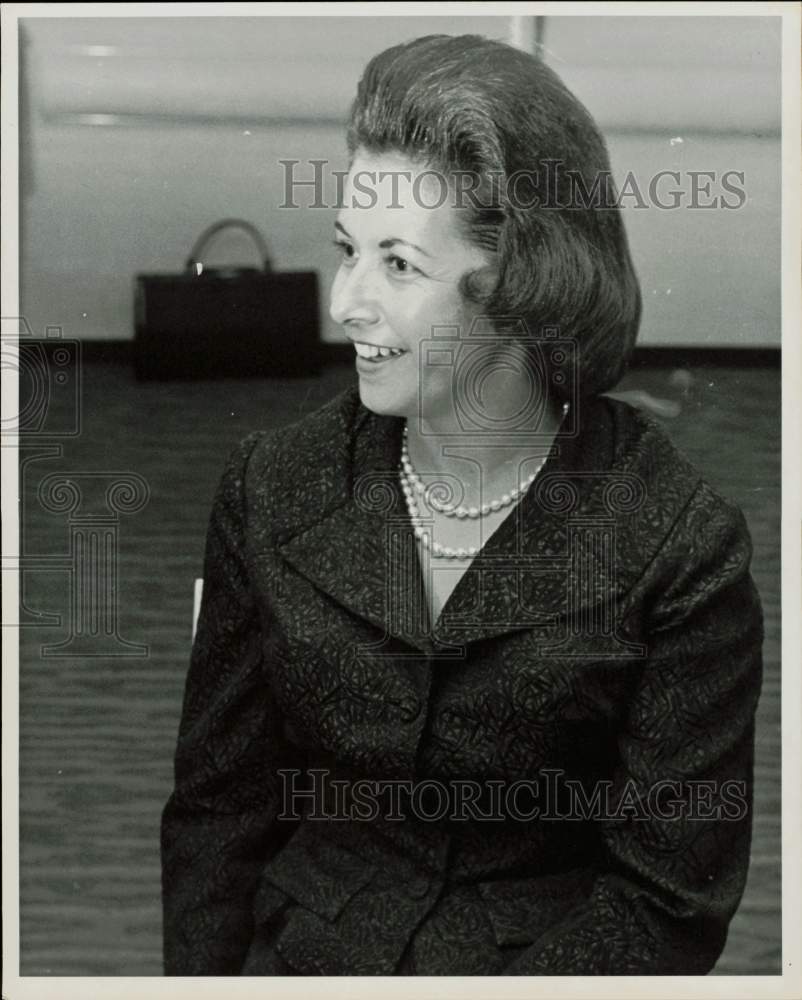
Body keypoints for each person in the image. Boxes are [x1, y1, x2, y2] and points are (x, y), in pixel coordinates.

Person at [160, 34, 764, 976]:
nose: (345, 305)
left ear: (523, 283)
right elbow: (217, 814)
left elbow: (667, 902)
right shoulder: (271, 488)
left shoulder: (679, 549)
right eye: (347, 252)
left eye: (398, 266)